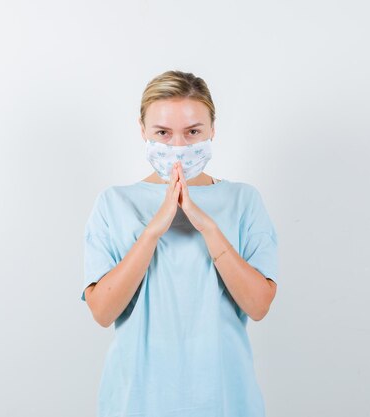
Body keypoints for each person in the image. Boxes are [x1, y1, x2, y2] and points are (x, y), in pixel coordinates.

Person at [80, 70, 279, 417]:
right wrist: (153, 230)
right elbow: (102, 311)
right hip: (137, 401)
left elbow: (259, 305)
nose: (178, 147)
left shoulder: (243, 201)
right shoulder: (114, 203)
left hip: (225, 400)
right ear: (143, 131)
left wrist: (207, 226)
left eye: (192, 132)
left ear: (212, 129)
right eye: (162, 133)